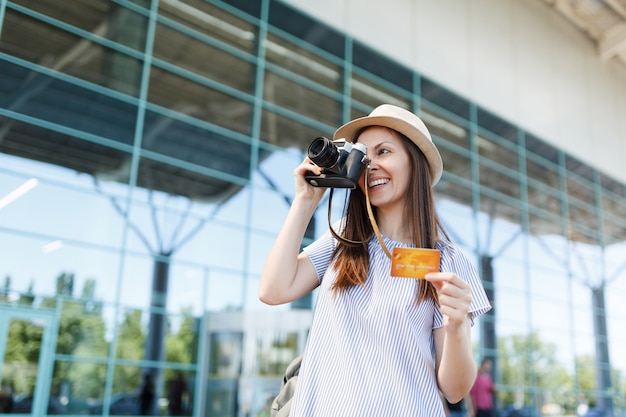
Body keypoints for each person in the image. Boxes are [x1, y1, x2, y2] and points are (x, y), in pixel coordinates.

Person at [259, 104, 492, 416]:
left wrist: (457, 326)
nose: (371, 166)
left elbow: (454, 390)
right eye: (363, 158)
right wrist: (305, 201)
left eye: (384, 152)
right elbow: (273, 290)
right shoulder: (343, 238)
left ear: (415, 162)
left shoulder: (448, 259)